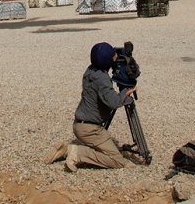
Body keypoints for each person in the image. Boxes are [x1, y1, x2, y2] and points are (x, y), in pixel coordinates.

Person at [44, 41, 136, 172]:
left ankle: (66, 150)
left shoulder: (90, 71)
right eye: (113, 57)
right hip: (91, 129)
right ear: (107, 61)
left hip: (79, 125)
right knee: (117, 160)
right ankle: (76, 152)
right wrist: (125, 93)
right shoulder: (102, 79)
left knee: (108, 151)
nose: (115, 58)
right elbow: (114, 102)